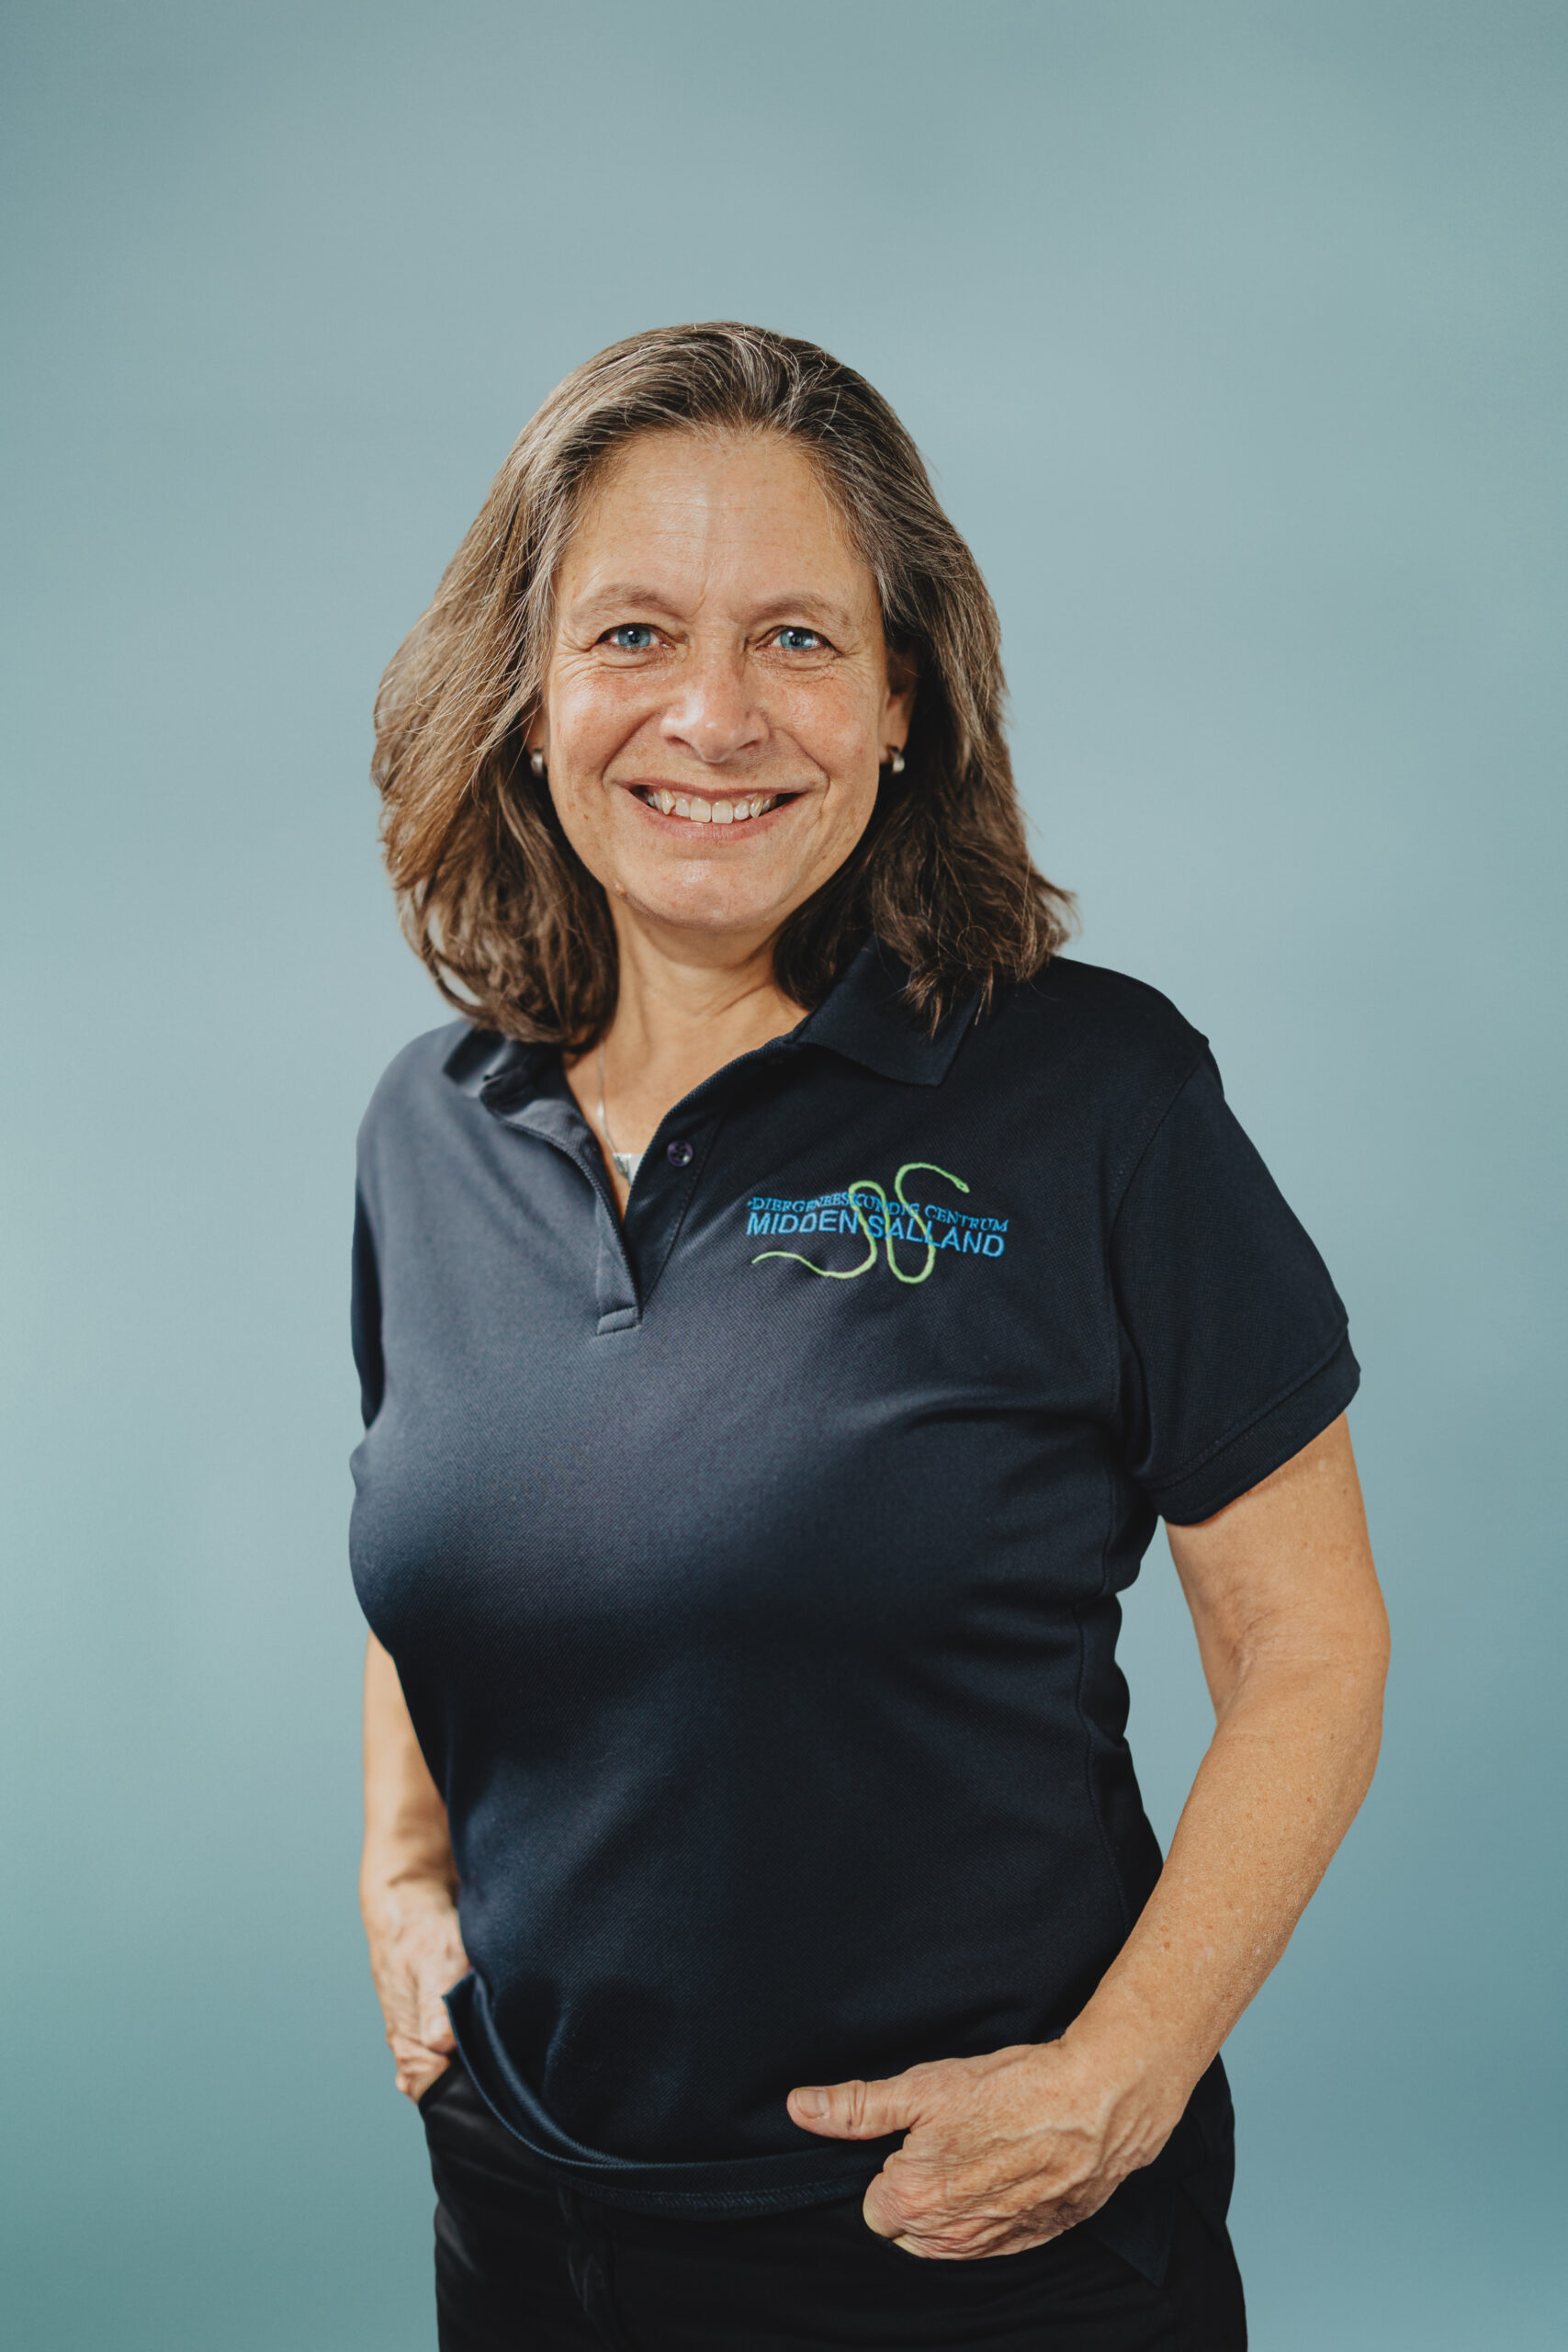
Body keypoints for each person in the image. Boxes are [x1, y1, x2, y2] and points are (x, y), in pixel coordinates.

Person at [351, 322, 1389, 2351]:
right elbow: (439, 1530)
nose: (712, 716)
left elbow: (1309, 1645)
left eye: (798, 640)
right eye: (632, 634)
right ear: (529, 695)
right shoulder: (430, 1123)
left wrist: (1121, 2079)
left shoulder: (1094, 1097)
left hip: (969, 2249)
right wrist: (402, 1872)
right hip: (528, 2229)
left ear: (902, 699)